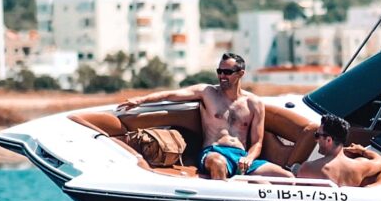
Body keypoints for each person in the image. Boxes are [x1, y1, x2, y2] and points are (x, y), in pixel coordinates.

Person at [117, 52, 292, 180]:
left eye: (227, 72)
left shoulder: (254, 103)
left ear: (240, 73)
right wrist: (140, 100)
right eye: (219, 71)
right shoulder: (207, 92)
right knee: (218, 164)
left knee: (287, 178)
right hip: (213, 152)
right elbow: (170, 95)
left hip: (241, 157)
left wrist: (249, 158)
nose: (222, 76)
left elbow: (257, 142)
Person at [295, 114, 381, 187]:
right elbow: (380, 162)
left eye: (317, 135)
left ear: (329, 140)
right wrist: (362, 151)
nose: (316, 140)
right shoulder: (359, 166)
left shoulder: (309, 168)